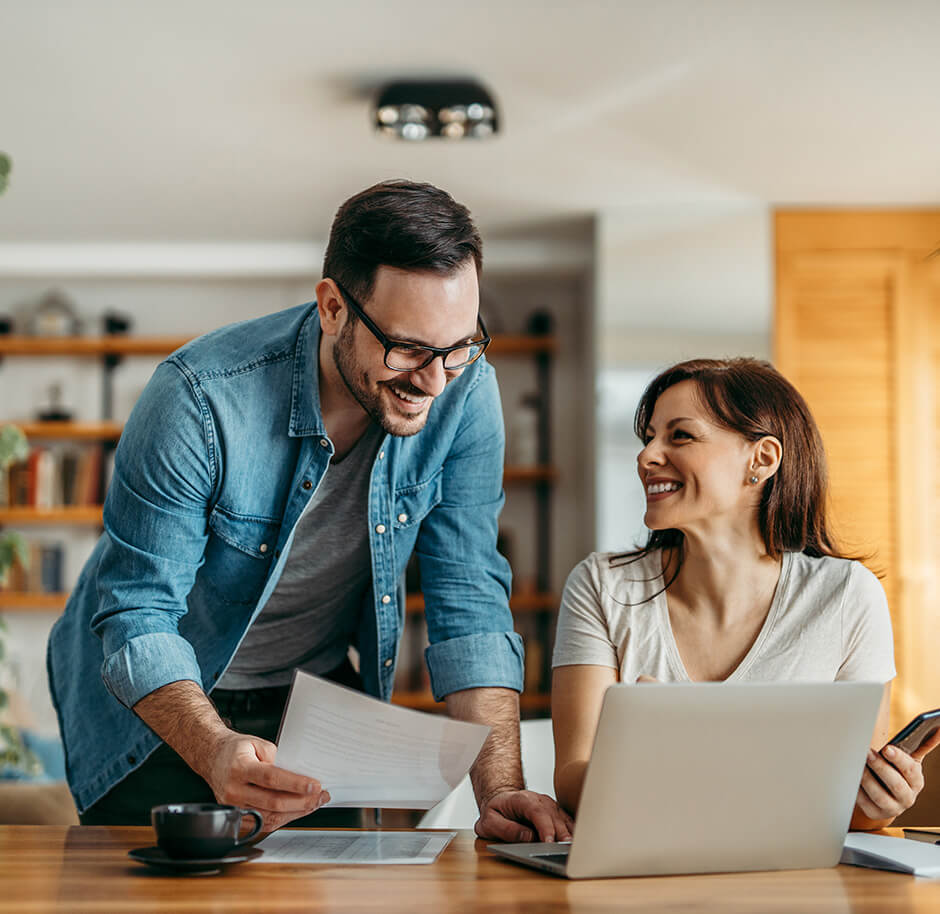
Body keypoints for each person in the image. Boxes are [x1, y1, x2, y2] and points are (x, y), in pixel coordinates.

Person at [48, 179, 571, 842]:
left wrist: (498, 792)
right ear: (332, 308)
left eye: (460, 345)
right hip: (160, 713)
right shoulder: (198, 400)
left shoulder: (465, 393)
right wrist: (212, 747)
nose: (434, 381)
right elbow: (138, 611)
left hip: (315, 702)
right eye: (408, 348)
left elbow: (468, 592)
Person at [551, 357, 937, 830]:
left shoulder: (846, 597)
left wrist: (883, 801)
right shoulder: (601, 585)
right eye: (649, 436)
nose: (647, 456)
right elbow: (572, 779)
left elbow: (853, 810)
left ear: (763, 458)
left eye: (680, 435)